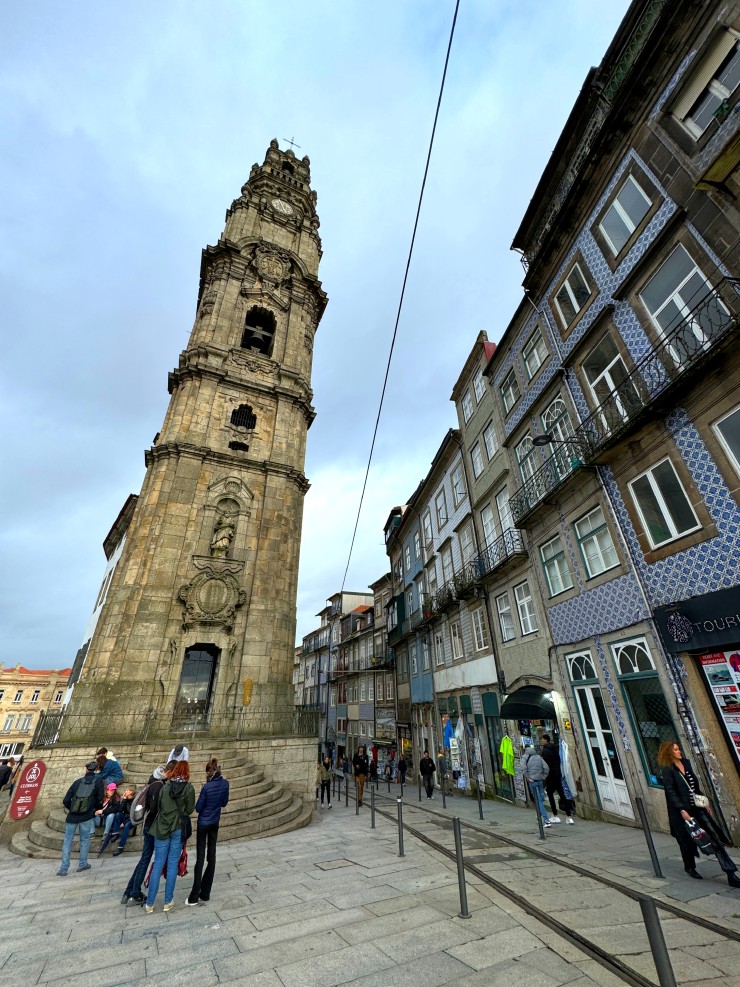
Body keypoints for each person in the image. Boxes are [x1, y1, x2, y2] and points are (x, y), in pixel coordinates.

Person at [658, 740, 740, 887]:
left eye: (678, 748)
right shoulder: (668, 769)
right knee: (687, 843)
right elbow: (670, 791)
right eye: (676, 750)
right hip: (681, 812)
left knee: (714, 838)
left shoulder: (687, 763)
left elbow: (694, 786)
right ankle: (689, 867)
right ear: (669, 753)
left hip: (697, 808)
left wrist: (704, 802)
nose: (679, 751)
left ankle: (731, 873)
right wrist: (682, 810)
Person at [146, 760, 195, 913]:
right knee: (172, 863)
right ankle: (168, 901)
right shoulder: (188, 788)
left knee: (158, 863)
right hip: (178, 827)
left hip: (162, 827)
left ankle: (150, 903)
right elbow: (189, 809)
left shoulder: (165, 787)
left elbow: (159, 807)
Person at [121, 763, 168, 905]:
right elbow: (154, 809)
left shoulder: (151, 783)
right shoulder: (158, 786)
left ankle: (129, 891)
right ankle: (135, 893)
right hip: (151, 826)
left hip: (148, 825)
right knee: (145, 859)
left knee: (143, 859)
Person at [186, 757, 230, 905]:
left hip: (203, 823)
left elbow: (198, 808)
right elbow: (224, 802)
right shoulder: (225, 784)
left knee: (200, 859)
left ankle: (194, 896)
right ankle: (205, 893)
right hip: (214, 823)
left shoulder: (206, 787)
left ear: (209, 772)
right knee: (212, 857)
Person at [58, 760, 104, 876]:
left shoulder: (77, 782)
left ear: (86, 769)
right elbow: (100, 799)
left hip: (72, 816)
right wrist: (91, 808)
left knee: (67, 841)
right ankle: (82, 863)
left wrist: (73, 808)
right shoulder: (98, 782)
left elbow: (66, 800)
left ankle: (64, 868)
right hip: (86, 816)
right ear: (96, 770)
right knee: (84, 840)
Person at [540, 734, 574, 824]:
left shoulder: (545, 751)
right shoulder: (555, 749)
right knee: (562, 795)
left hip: (550, 776)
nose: (541, 741)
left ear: (545, 740)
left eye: (542, 739)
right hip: (558, 774)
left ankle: (555, 815)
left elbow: (545, 765)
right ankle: (569, 817)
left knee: (550, 795)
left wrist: (544, 775)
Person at [523, 743, 551, 828]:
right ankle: (539, 816)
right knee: (541, 799)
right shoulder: (538, 757)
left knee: (538, 801)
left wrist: (528, 778)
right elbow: (546, 767)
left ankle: (546, 820)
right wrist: (544, 776)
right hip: (540, 780)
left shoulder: (524, 758)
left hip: (532, 781)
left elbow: (523, 769)